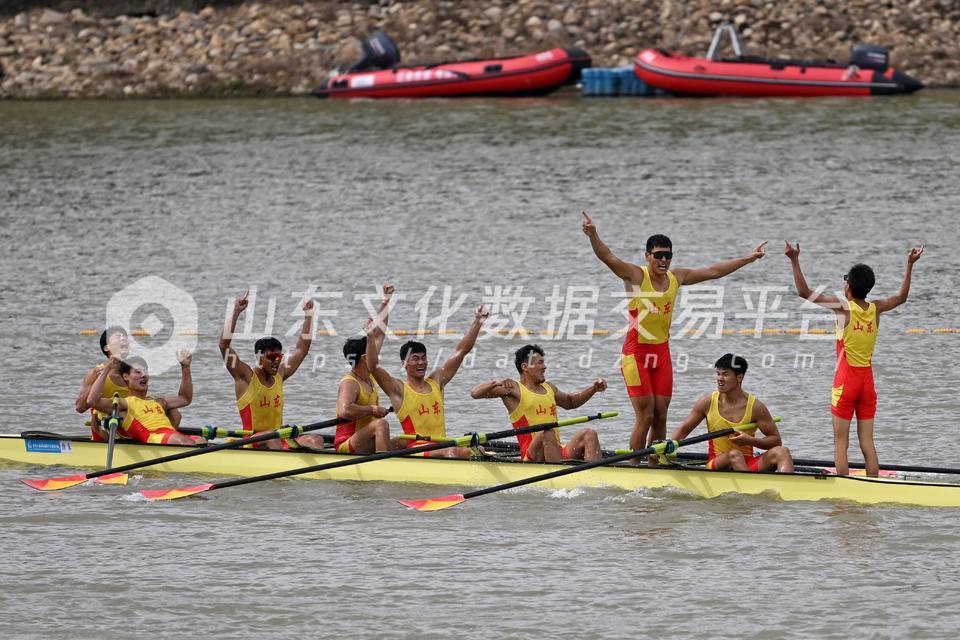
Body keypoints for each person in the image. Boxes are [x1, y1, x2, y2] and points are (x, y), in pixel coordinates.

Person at [581, 210, 767, 464]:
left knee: (661, 416)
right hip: (635, 355)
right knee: (645, 415)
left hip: (661, 354)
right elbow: (608, 257)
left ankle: (656, 464)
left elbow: (713, 271)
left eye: (668, 255)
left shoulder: (676, 278)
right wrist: (593, 235)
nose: (664, 260)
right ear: (648, 256)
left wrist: (748, 258)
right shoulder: (636, 276)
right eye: (658, 255)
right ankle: (635, 466)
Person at [785, 241, 924, 477]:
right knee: (867, 443)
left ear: (848, 285)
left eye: (845, 279)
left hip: (845, 382)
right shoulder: (876, 308)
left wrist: (794, 260)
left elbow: (804, 292)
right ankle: (874, 486)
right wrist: (909, 264)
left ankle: (845, 489)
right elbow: (901, 297)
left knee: (841, 444)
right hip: (867, 383)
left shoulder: (843, 308)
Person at [366, 285, 489, 459]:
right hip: (417, 449)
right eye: (415, 358)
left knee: (479, 448)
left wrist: (478, 322)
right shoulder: (398, 389)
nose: (421, 362)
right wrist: (371, 337)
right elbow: (373, 366)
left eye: (423, 358)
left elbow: (461, 351)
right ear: (404, 363)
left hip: (442, 446)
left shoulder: (437, 380)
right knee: (453, 452)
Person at [219, 290, 324, 450]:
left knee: (316, 440)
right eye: (272, 357)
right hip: (252, 440)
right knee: (272, 440)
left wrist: (308, 315)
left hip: (277, 438)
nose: (277, 362)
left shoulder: (280, 374)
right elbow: (223, 345)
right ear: (259, 357)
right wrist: (236, 312)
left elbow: (301, 350)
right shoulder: (245, 376)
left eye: (279, 357)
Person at [470, 344, 606, 462]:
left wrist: (593, 389)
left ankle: (594, 475)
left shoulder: (549, 388)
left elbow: (570, 402)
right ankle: (558, 481)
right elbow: (475, 393)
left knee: (589, 434)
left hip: (556, 450)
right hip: (532, 455)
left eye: (544, 362)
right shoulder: (513, 389)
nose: (545, 367)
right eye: (540, 363)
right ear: (525, 367)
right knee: (547, 432)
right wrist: (496, 382)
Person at [671, 353, 793, 472]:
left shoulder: (756, 407)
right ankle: (750, 487)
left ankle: (789, 488)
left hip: (748, 463)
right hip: (716, 462)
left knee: (782, 451)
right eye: (718, 374)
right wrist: (667, 446)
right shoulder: (707, 402)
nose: (720, 378)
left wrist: (750, 441)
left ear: (739, 377)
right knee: (735, 454)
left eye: (725, 374)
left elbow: (776, 441)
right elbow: (684, 429)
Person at [75, 326, 180, 440]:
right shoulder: (96, 373)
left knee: (174, 412)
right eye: (118, 336)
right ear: (106, 347)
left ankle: (165, 442)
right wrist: (103, 375)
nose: (123, 339)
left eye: (125, 337)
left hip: (131, 419)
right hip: (108, 424)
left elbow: (140, 400)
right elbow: (80, 407)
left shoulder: (134, 373)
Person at [334, 291, 404, 454]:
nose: (377, 353)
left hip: (365, 440)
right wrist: (372, 409)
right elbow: (345, 410)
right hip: (347, 444)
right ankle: (382, 468)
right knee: (381, 424)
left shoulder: (369, 374)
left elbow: (379, 335)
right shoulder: (349, 382)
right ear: (365, 358)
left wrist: (385, 302)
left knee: (405, 441)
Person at [86, 352, 203, 446]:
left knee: (202, 440)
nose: (144, 375)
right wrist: (107, 369)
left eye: (145, 371)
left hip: (171, 435)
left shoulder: (158, 401)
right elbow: (92, 401)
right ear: (126, 377)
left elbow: (185, 398)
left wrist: (185, 366)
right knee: (186, 442)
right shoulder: (124, 403)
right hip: (154, 437)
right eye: (138, 372)